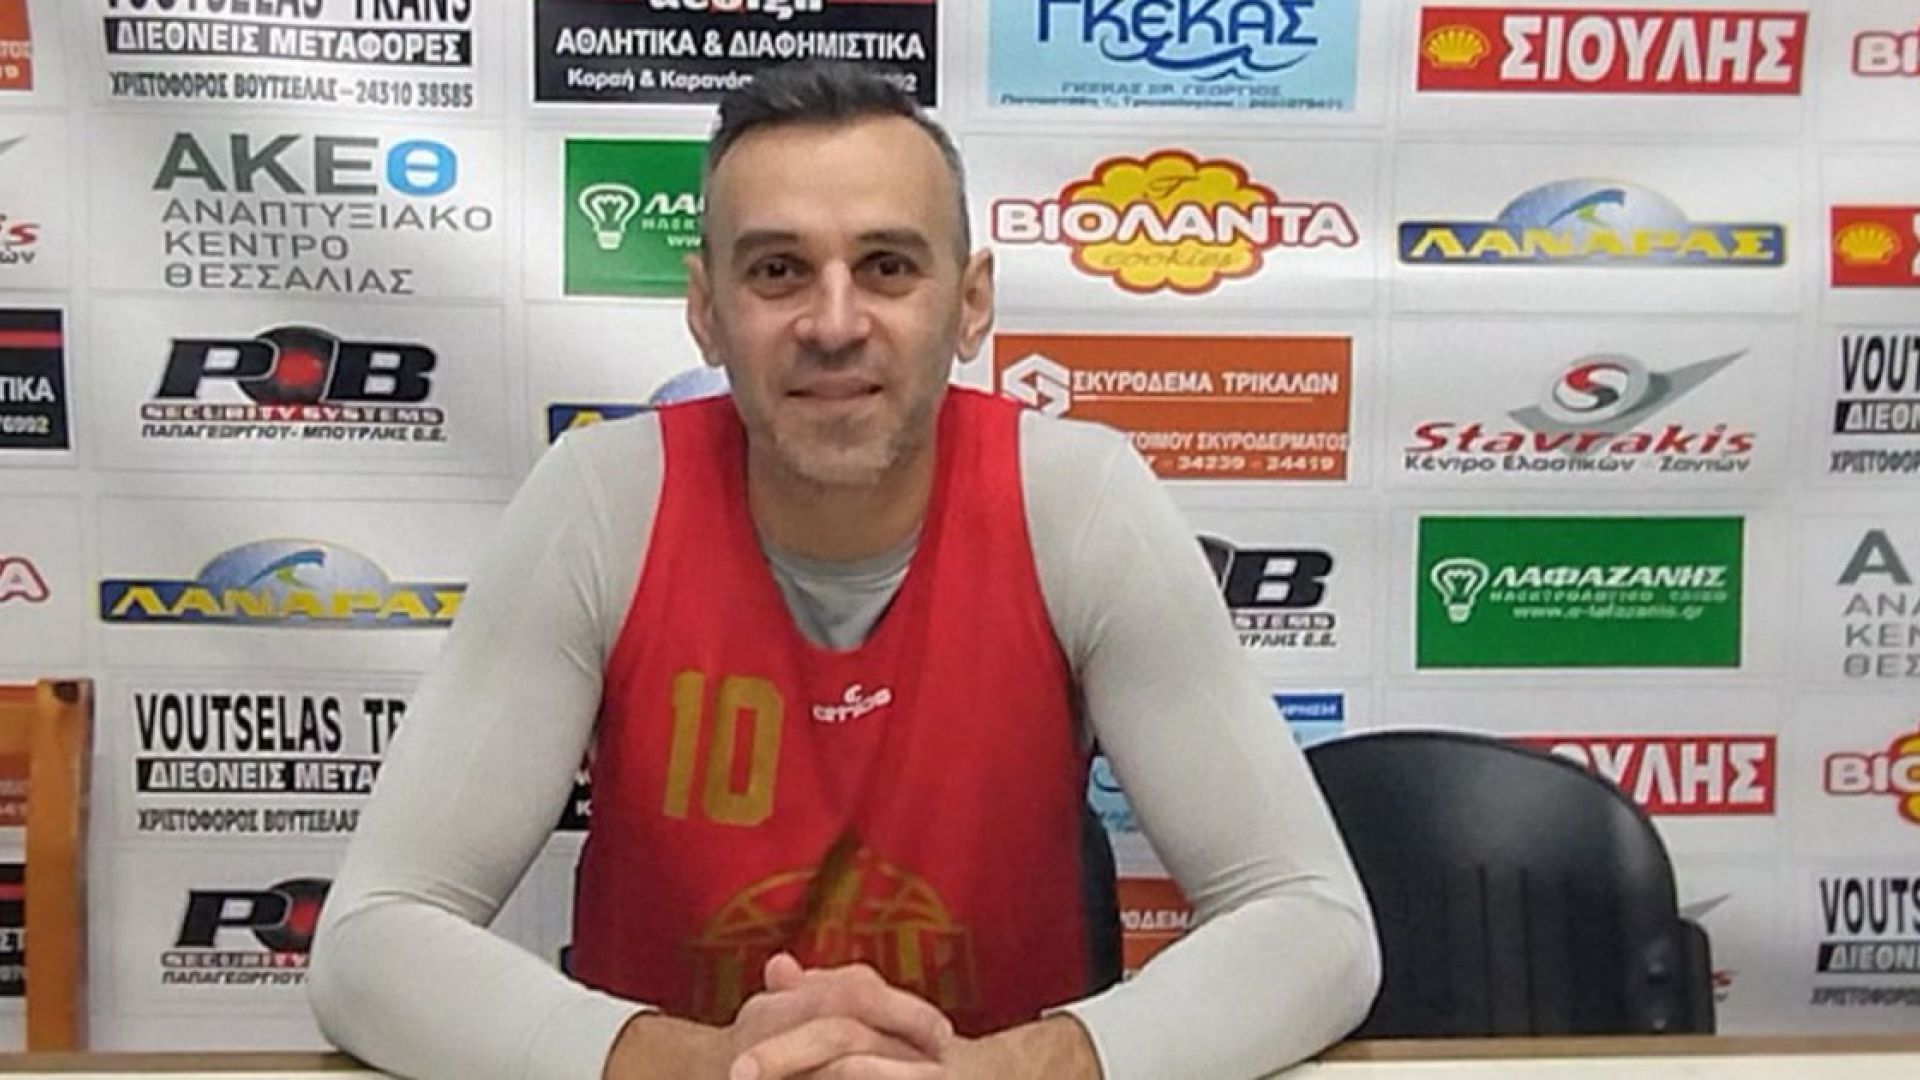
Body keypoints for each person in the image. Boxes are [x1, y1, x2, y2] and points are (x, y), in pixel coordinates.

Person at [308, 60, 1379, 1080]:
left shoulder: (1077, 501)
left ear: (970, 303)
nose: (833, 323)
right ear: (706, 311)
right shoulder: (600, 502)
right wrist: (704, 1065)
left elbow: (1314, 925)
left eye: (887, 267)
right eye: (778, 270)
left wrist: (1004, 1071)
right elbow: (371, 942)